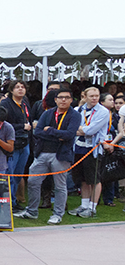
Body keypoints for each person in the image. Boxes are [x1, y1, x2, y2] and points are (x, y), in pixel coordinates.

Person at [16, 87, 77, 224]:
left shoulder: (74, 115)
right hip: (43, 153)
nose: (63, 100)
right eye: (60, 97)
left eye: (66, 97)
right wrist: (57, 134)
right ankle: (32, 211)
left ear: (71, 100)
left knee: (60, 186)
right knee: (33, 181)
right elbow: (37, 132)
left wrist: (49, 130)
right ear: (55, 100)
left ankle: (58, 214)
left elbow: (69, 135)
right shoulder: (48, 113)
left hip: (61, 155)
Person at [68, 85, 110, 218]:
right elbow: (72, 128)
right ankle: (84, 205)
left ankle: (92, 207)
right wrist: (82, 129)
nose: (94, 98)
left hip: (93, 149)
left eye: (97, 96)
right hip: (79, 147)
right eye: (91, 96)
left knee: (94, 179)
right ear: (84, 97)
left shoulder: (103, 112)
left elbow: (91, 130)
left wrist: (81, 129)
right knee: (83, 179)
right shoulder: (78, 109)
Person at [0, 80, 33, 208]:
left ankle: (13, 199)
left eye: (23, 87)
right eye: (17, 87)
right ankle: (8, 202)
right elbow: (2, 123)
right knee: (10, 173)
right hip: (12, 142)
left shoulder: (25, 103)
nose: (20, 89)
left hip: (25, 142)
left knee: (19, 173)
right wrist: (21, 126)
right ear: (11, 90)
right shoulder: (6, 104)